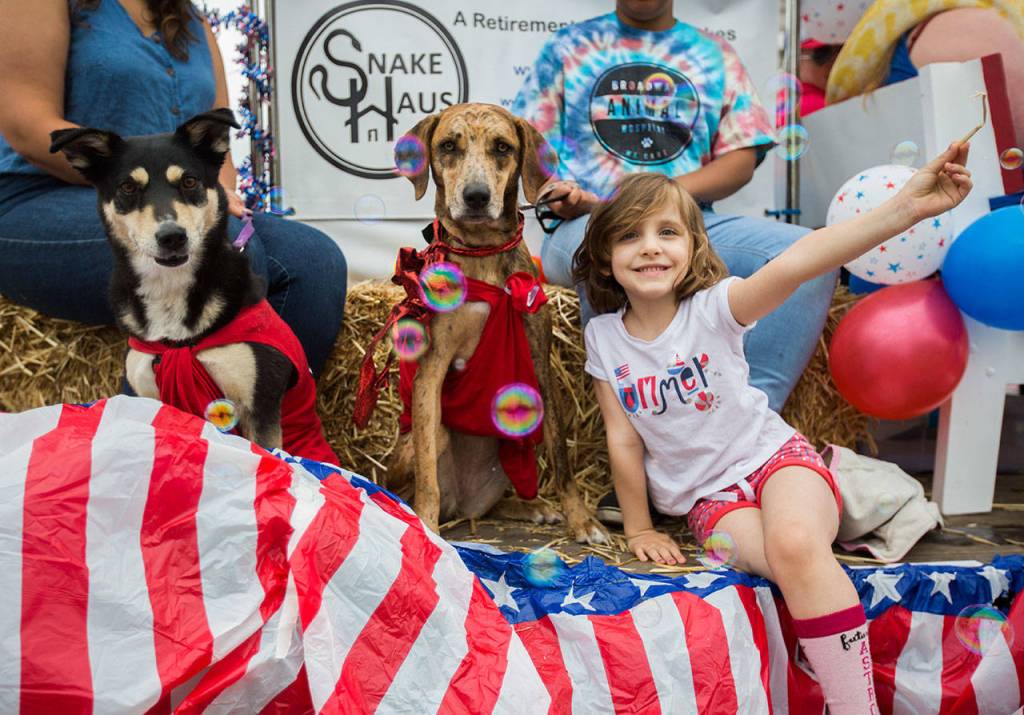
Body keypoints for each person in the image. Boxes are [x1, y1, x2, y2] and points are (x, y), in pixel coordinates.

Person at [577, 142, 971, 714]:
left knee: (794, 544)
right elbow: (623, 435)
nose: (650, 248)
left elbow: (798, 262)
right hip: (709, 502)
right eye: (630, 236)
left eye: (667, 232)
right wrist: (638, 528)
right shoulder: (603, 338)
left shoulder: (715, 308)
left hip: (774, 461)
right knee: (789, 558)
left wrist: (905, 209)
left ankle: (853, 706)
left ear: (692, 247)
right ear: (605, 255)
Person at [0, 0, 347, 377]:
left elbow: (215, 145)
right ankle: (165, 429)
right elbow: (26, 127)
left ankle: (268, 424)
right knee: (219, 254)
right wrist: (121, 180)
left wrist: (218, 196)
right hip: (36, 199)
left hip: (176, 199)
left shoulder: (192, 17)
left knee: (316, 260)